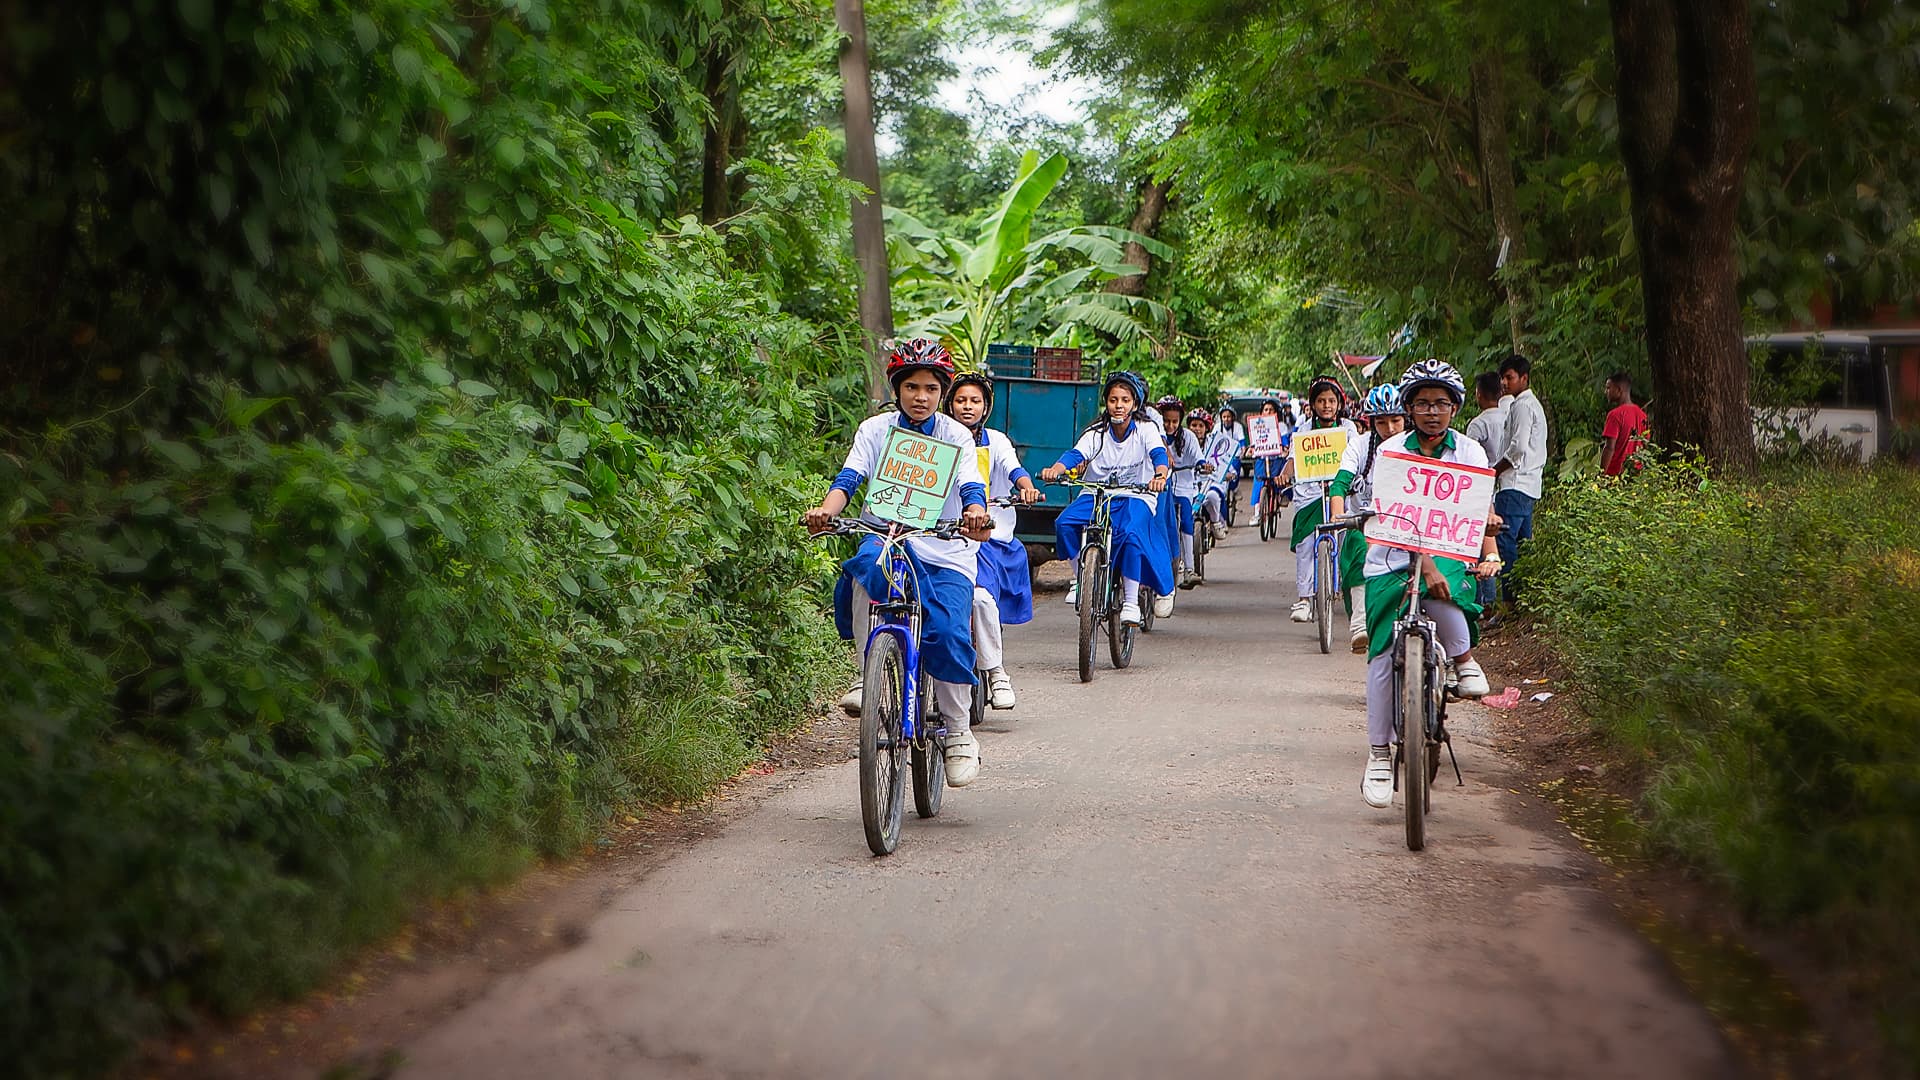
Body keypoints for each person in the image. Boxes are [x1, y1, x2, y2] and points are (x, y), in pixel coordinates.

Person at [805, 339, 992, 787]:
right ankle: (866, 674)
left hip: (945, 546)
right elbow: (849, 478)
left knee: (947, 631)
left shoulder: (956, 436)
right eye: (912, 386)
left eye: (930, 387)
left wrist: (975, 514)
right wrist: (827, 511)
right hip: (887, 537)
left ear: (942, 391)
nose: (921, 396)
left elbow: (971, 486)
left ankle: (959, 732)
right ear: (897, 388)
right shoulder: (875, 430)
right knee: (863, 573)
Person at [1354, 360, 1502, 809]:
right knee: (1381, 651)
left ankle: (1464, 660)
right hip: (1392, 557)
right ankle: (1380, 753)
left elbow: (1478, 509)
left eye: (1440, 403)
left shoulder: (1471, 453)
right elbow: (1393, 513)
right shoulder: (1393, 451)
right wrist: (1424, 562)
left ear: (1454, 408)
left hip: (1449, 551)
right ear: (1410, 409)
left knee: (1447, 592)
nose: (1431, 412)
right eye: (1422, 403)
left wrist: (1489, 548)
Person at [1040, 371, 1172, 627]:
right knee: (1064, 523)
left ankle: (1131, 602)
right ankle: (1081, 579)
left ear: (1135, 404)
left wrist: (1160, 474)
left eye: (1124, 400)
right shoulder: (1096, 433)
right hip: (1097, 493)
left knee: (1132, 533)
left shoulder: (1146, 429)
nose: (1118, 405)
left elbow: (1158, 454)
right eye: (1113, 400)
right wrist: (1056, 469)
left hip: (1137, 494)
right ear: (1107, 403)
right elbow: (1076, 454)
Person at [945, 372, 1042, 711]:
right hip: (942, 536)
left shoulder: (997, 441)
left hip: (988, 540)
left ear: (986, 407)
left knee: (981, 598)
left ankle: (996, 671)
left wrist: (1026, 486)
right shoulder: (937, 439)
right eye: (960, 400)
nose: (967, 407)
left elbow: (1013, 469)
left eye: (974, 401)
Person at [1326, 384, 1407, 652]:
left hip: (1408, 523)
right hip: (1365, 523)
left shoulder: (1416, 447)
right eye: (1382, 422)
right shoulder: (1359, 447)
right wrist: (1338, 514)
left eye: (1396, 420)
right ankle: (1360, 625)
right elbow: (1339, 485)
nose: (1390, 428)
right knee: (1360, 549)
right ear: (1371, 422)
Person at [1276, 377, 1360, 622]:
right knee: (1305, 544)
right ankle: (1304, 599)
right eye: (1321, 401)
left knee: (1347, 541)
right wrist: (1284, 475)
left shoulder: (1348, 428)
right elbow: (1293, 459)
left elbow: (1355, 458)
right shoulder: (1304, 429)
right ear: (1312, 404)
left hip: (1340, 491)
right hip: (1310, 493)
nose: (1327, 406)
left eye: (1331, 401)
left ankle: (1347, 592)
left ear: (1339, 404)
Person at [1491, 354, 1547, 602]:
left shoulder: (1523, 406)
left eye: (1510, 377)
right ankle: (1527, 597)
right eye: (1503, 377)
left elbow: (1518, 447)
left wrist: (1496, 469)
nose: (1505, 382)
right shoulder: (1531, 404)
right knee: (1524, 544)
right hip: (1529, 484)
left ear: (1524, 378)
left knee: (1505, 541)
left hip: (1514, 483)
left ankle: (1510, 600)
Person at [1463, 371, 1509, 609]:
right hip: (1505, 485)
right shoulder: (1508, 416)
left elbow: (1468, 465)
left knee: (1477, 540)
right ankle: (1493, 601)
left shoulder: (1478, 424)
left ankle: (1483, 602)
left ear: (1479, 395)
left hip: (1479, 488)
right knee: (1494, 538)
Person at [1156, 395, 1203, 595]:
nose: (1170, 425)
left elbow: (1199, 457)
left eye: (1174, 421)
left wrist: (1203, 464)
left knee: (1185, 518)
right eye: (1166, 421)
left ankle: (1190, 568)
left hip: (1183, 486)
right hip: (1160, 486)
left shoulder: (1189, 437)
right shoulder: (1153, 435)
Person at [1245, 399, 1291, 532]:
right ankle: (1257, 513)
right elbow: (1253, 442)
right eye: (1266, 410)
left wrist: (1285, 449)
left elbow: (1285, 441)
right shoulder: (1256, 425)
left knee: (1280, 480)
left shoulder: (1281, 426)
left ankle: (1281, 496)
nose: (1268, 412)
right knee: (1258, 483)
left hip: (1276, 459)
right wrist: (1250, 450)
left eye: (1271, 410)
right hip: (1262, 459)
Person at [1599, 371, 1650, 477]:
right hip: (1636, 476)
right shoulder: (1642, 415)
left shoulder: (1615, 415)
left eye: (1608, 388)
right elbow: (1645, 446)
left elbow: (1609, 448)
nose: (1606, 392)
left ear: (1618, 390)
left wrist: (1602, 475)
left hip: (1615, 475)